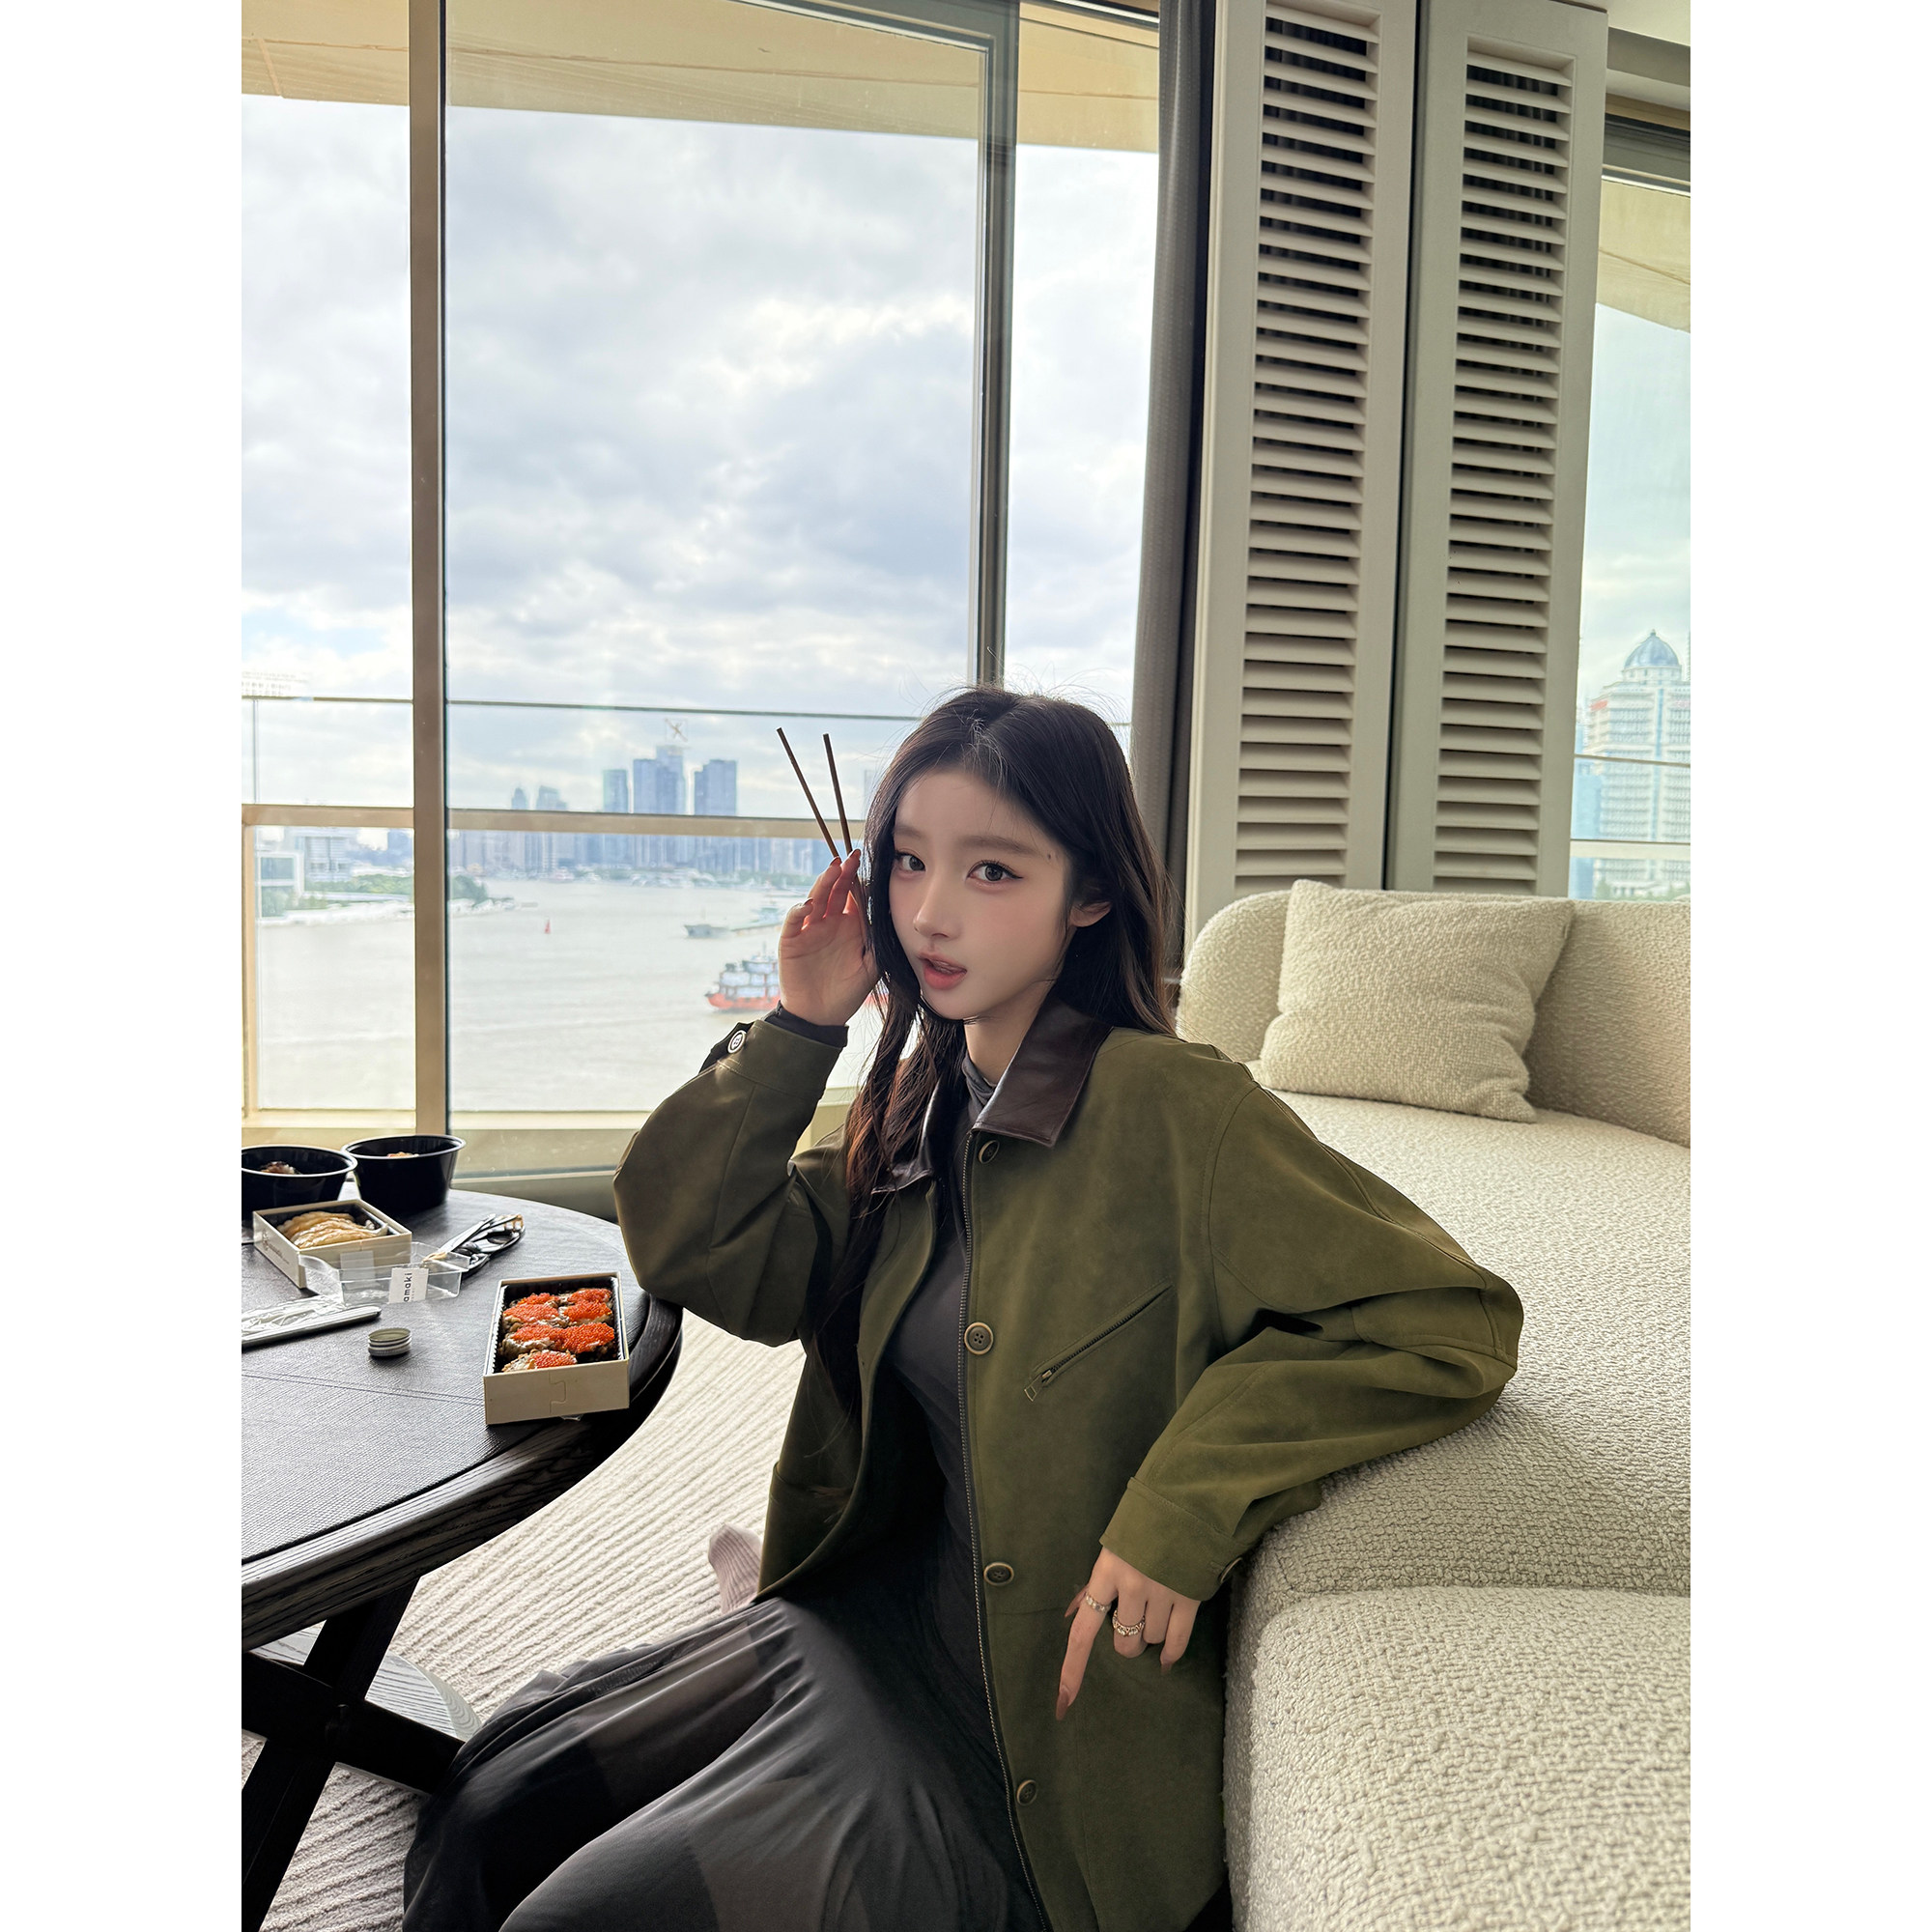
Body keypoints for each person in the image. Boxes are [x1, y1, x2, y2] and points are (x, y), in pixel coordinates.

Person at [403, 688, 1522, 1932]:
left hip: (1017, 1749)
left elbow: (1446, 1315)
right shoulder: (922, 1103)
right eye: (909, 860)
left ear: (1087, 896)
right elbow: (702, 1253)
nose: (930, 912)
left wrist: (1182, 1507)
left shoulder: (1180, 1117)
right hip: (863, 1615)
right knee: (485, 1804)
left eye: (993, 870)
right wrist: (800, 1025)